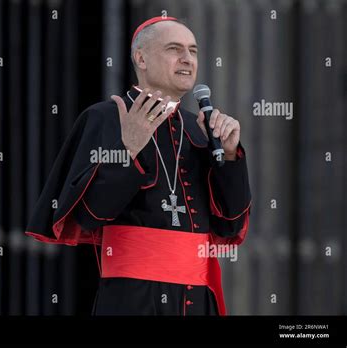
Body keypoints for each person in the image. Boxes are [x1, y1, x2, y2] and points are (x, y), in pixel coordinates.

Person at [25, 16, 251, 316]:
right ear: (141, 58)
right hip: (132, 297)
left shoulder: (200, 130)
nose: (187, 59)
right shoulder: (105, 118)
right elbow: (90, 213)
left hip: (197, 299)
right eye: (174, 49)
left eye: (193, 51)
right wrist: (128, 147)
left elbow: (230, 224)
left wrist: (231, 153)